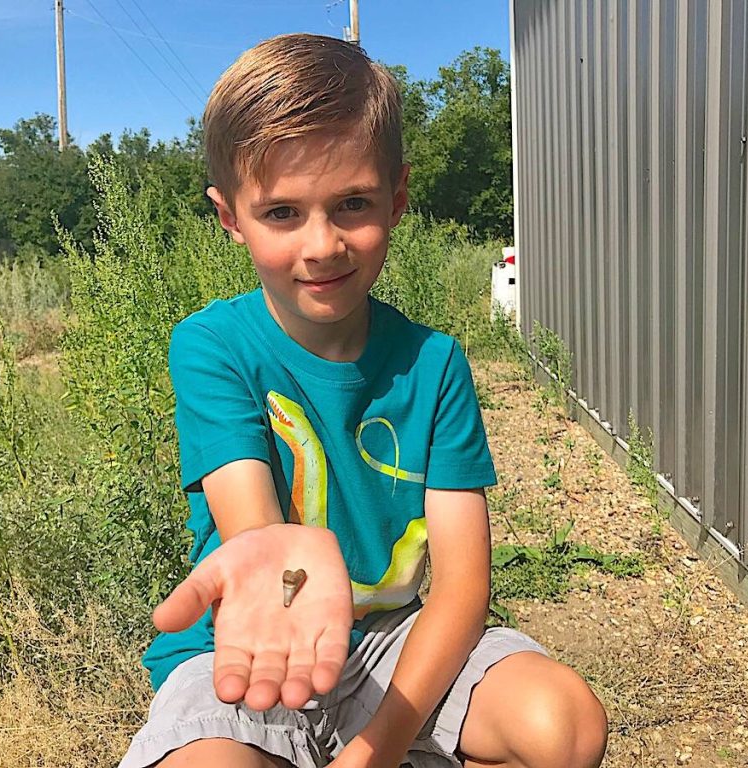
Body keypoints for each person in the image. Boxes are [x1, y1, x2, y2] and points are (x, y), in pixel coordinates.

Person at [119, 32, 608, 768]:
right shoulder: (213, 345)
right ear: (230, 218)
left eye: (352, 204)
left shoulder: (434, 364)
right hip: (244, 646)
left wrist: (374, 751)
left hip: (391, 642)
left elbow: (461, 588)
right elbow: (254, 529)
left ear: (397, 198)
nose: (322, 245)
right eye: (282, 213)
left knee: (562, 724)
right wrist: (287, 558)